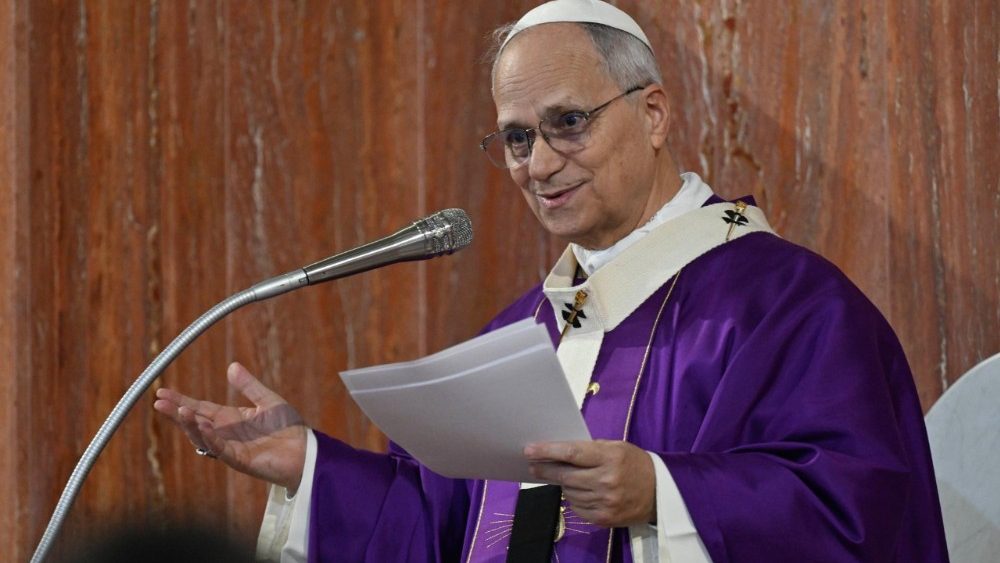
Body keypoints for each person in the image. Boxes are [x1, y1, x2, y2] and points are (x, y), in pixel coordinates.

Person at [154, 1, 949, 561]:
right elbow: (443, 523)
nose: (536, 163)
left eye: (568, 122)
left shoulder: (791, 306)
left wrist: (664, 492)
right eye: (514, 138)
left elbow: (862, 511)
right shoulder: (524, 333)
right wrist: (313, 468)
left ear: (654, 114)